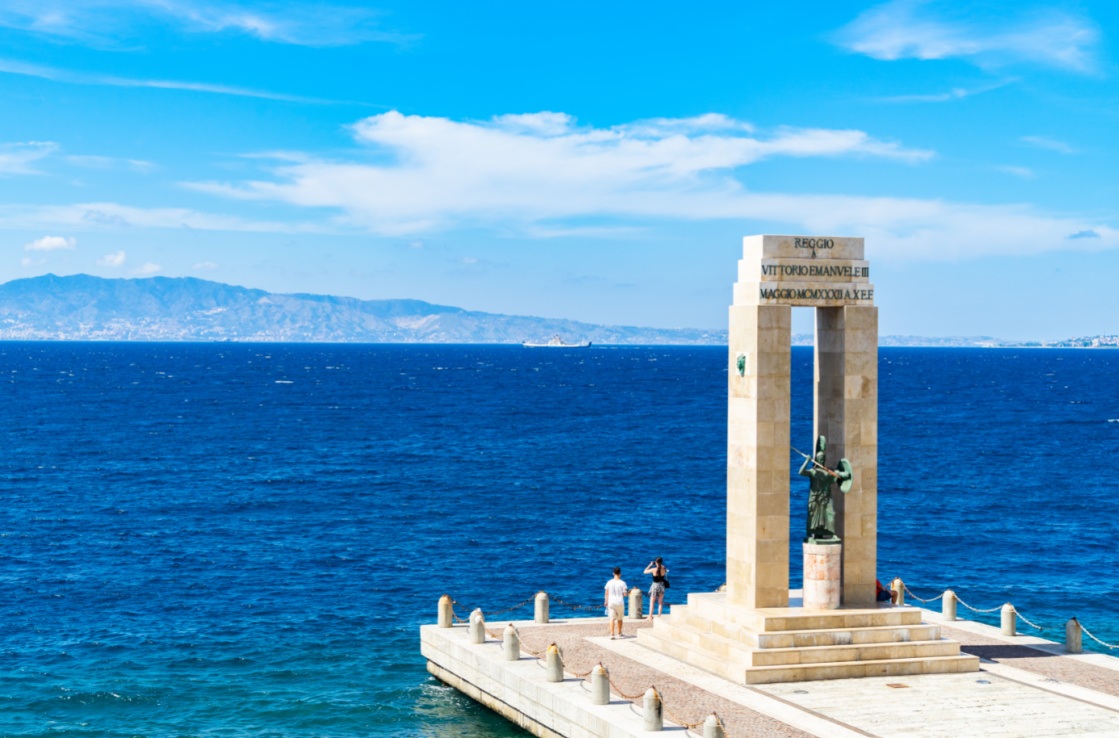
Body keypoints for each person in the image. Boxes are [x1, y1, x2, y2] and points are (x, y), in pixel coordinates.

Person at [604, 567, 628, 639]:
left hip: (611, 602)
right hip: (620, 602)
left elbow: (606, 593)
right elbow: (625, 594)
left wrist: (606, 601)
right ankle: (619, 633)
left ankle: (612, 634)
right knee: (620, 618)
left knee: (612, 618)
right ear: (620, 574)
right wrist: (627, 593)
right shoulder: (623, 583)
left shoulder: (609, 582)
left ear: (613, 573)